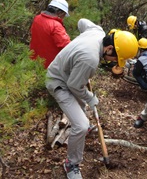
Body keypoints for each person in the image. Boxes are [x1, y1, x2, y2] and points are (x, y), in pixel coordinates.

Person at [45, 18, 138, 179]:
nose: (114, 62)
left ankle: (84, 130)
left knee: (80, 106)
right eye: (116, 59)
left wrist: (77, 54)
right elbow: (74, 86)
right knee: (80, 125)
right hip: (58, 82)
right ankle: (71, 164)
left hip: (70, 73)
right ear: (109, 49)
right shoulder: (90, 59)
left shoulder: (97, 32)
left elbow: (81, 22)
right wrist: (90, 97)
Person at [30, 0, 71, 68]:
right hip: (50, 66)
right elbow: (68, 47)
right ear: (60, 12)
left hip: (33, 62)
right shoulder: (56, 26)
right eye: (64, 15)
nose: (63, 18)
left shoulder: (37, 18)